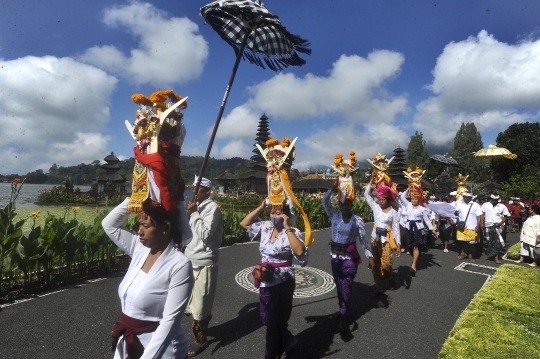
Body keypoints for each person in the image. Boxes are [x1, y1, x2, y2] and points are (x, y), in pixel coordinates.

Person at [103, 198, 194, 359]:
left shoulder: (179, 265)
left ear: (165, 227)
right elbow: (109, 224)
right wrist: (138, 196)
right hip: (128, 342)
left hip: (161, 350)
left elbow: (170, 321)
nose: (139, 231)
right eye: (139, 225)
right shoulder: (140, 249)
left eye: (146, 226)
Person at [240, 199, 308, 359]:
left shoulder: (293, 231)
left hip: (283, 281)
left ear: (287, 214)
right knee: (267, 318)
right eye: (273, 211)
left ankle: (271, 354)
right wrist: (261, 207)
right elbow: (244, 224)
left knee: (274, 321)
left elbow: (299, 252)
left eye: (280, 211)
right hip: (265, 278)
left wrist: (287, 227)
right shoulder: (265, 226)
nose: (275, 214)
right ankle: (289, 339)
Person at [322, 179, 374, 334]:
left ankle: (344, 316)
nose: (344, 206)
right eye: (342, 204)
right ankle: (343, 308)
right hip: (335, 257)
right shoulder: (334, 215)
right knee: (338, 285)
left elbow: (363, 240)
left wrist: (369, 256)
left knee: (347, 286)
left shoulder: (357, 220)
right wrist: (333, 187)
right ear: (339, 205)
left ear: (352, 205)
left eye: (347, 204)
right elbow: (324, 201)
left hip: (349, 258)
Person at [184, 176, 223, 357]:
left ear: (207, 191)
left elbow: (206, 234)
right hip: (190, 260)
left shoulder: (212, 208)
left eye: (198, 188)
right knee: (191, 302)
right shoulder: (196, 207)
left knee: (201, 305)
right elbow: (190, 233)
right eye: (193, 187)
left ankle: (201, 340)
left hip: (204, 263)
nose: (194, 191)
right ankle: (201, 326)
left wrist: (193, 214)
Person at [365, 177, 401, 295]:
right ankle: (378, 285)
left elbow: (396, 228)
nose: (380, 201)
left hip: (387, 240)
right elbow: (367, 195)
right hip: (374, 239)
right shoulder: (376, 208)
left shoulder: (393, 212)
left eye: (383, 199)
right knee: (375, 263)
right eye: (379, 199)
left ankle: (390, 277)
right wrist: (371, 181)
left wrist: (399, 243)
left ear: (388, 199)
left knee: (387, 264)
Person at [401, 189, 437, 272]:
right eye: (413, 199)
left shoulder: (422, 209)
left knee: (416, 247)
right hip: (409, 228)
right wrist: (409, 188)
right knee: (410, 247)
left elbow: (427, 220)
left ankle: (414, 264)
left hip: (419, 229)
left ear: (419, 200)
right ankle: (416, 256)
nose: (414, 200)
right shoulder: (408, 205)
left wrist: (432, 230)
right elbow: (402, 196)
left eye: (416, 199)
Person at [455, 192, 483, 262]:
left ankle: (470, 255)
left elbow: (479, 216)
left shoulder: (475, 205)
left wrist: (478, 225)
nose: (464, 198)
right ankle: (463, 253)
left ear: (470, 198)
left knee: (471, 243)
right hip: (462, 226)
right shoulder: (459, 204)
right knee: (462, 241)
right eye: (464, 197)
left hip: (472, 226)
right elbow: (456, 213)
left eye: (466, 197)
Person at [480, 194, 506, 264]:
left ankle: (496, 257)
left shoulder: (502, 206)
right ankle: (491, 253)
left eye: (496, 200)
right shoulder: (485, 205)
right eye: (493, 199)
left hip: (497, 225)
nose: (494, 201)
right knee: (490, 241)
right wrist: (482, 223)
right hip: (488, 225)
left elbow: (505, 216)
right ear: (491, 199)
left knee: (497, 241)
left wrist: (501, 223)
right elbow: (482, 214)